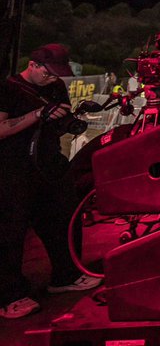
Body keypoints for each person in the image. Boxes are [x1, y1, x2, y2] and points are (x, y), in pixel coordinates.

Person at [0, 44, 102, 319]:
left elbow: (56, 123)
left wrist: (65, 119)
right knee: (11, 231)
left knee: (65, 218)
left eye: (57, 73)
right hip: (14, 168)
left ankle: (66, 275)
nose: (53, 78)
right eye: (48, 72)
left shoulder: (55, 86)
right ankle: (10, 297)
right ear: (33, 65)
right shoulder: (8, 89)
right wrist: (38, 114)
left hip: (49, 163)